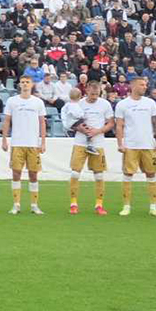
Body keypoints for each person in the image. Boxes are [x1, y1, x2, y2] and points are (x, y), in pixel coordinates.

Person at [61, 78, 114, 215]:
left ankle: (99, 205)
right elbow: (69, 122)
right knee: (75, 172)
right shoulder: (78, 104)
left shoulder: (105, 104)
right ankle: (73, 204)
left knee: (99, 175)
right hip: (80, 142)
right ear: (87, 90)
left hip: (97, 143)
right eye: (92, 93)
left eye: (97, 93)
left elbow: (110, 123)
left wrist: (98, 131)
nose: (94, 95)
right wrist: (81, 129)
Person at [114, 76, 156, 218]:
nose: (145, 87)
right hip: (131, 145)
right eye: (142, 84)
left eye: (145, 85)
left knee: (152, 174)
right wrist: (120, 143)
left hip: (148, 145)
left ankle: (153, 207)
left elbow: (155, 123)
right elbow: (119, 125)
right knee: (128, 174)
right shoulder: (123, 104)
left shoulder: (150, 103)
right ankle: (126, 206)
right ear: (133, 86)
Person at [1, 76, 46, 215]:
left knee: (33, 174)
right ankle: (16, 204)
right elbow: (7, 121)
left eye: (27, 82)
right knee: (16, 173)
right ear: (19, 85)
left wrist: (43, 141)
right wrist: (4, 139)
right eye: (23, 82)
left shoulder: (38, 102)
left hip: (33, 144)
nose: (25, 84)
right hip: (17, 143)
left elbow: (42, 122)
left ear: (32, 85)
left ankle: (34, 205)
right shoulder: (12, 101)